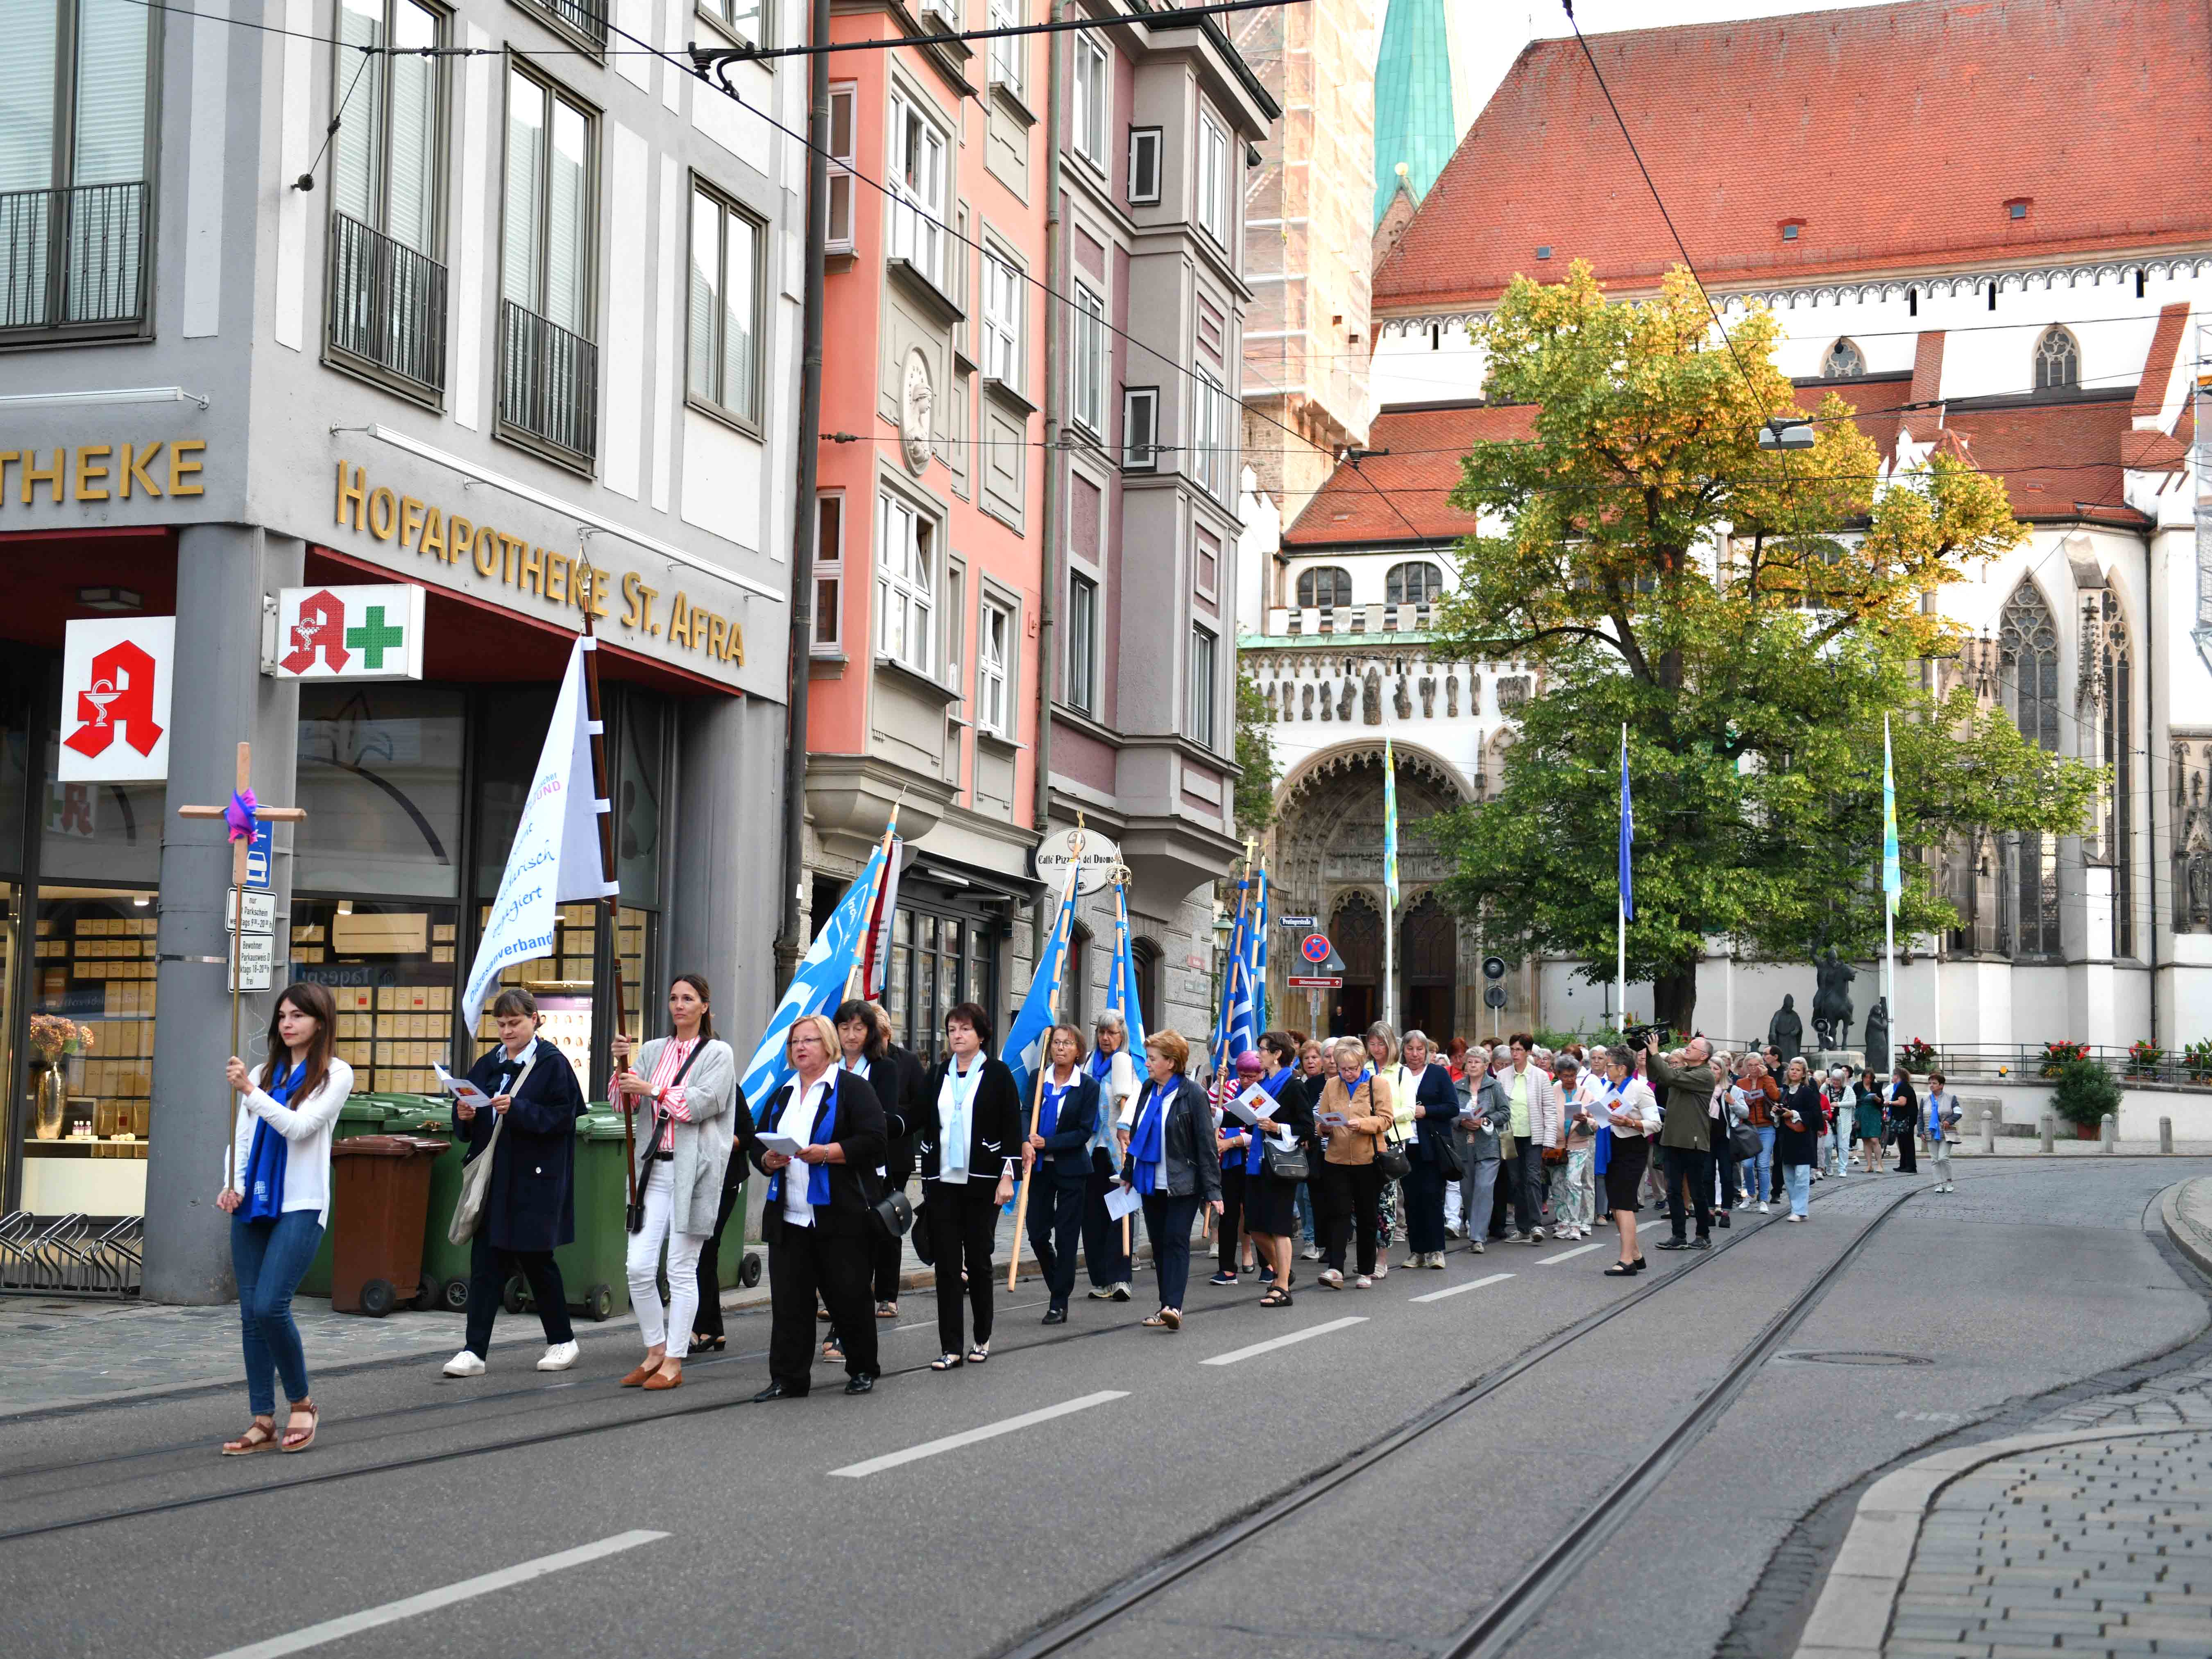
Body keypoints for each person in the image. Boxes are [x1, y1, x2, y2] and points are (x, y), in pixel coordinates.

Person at [218, 982, 350, 1456]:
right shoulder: (262, 1073)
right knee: (250, 1315)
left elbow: (299, 1128)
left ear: (321, 1021)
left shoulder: (336, 1074)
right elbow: (242, 1137)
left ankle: (301, 1403)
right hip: (255, 1202)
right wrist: (233, 1184)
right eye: (282, 1016)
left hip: (302, 1204)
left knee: (271, 1305)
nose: (288, 1024)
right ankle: (262, 1419)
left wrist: (250, 1091)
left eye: (298, 1015)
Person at [441, 987, 589, 1382]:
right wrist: (464, 1115)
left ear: (535, 1019)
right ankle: (474, 1350)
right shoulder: (488, 1063)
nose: (507, 1031)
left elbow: (564, 1119)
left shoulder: (553, 1064)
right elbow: (468, 1123)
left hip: (535, 1180)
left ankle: (563, 1340)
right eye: (502, 1024)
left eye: (515, 1023)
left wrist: (519, 1109)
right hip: (494, 1178)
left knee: (538, 1261)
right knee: (485, 1264)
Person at [746, 1013, 886, 1400]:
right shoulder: (784, 1092)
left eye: (809, 1040)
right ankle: (788, 1378)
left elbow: (875, 1140)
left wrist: (828, 1153)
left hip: (841, 1215)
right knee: (790, 1303)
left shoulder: (853, 1088)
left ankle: (862, 1368)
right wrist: (767, 1160)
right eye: (795, 1042)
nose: (800, 1048)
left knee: (849, 1296)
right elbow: (759, 1141)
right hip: (789, 1215)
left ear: (828, 1045)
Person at [612, 973, 739, 1393]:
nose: (679, 1005)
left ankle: (674, 1360)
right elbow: (623, 1104)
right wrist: (621, 1068)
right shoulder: (652, 1050)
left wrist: (652, 1088)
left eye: (688, 998)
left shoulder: (718, 1053)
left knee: (681, 1269)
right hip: (651, 1171)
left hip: (694, 1172)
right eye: (673, 998)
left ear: (705, 1006)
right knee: (637, 1267)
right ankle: (654, 1349)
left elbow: (703, 1103)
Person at [915, 1002, 1020, 1369]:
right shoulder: (938, 1073)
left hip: (982, 1182)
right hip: (942, 1181)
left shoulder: (997, 1074)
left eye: (965, 1029)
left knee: (978, 1262)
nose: (957, 1036)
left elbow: (1011, 1126)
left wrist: (1008, 1176)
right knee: (946, 1266)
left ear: (981, 1035)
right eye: (952, 1030)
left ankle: (982, 1337)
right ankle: (951, 1347)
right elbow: (919, 1116)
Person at [1119, 1030, 1222, 1328]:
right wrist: (1128, 1172)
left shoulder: (1194, 1094)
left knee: (1177, 1241)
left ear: (1172, 1062)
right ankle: (1165, 1305)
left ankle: (1174, 1306)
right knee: (1160, 1244)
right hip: (1151, 1181)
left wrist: (1214, 1191)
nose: (1147, 1064)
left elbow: (1206, 1144)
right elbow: (1138, 1134)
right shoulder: (1148, 1089)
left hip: (1183, 1183)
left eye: (1153, 1059)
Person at [834, 999, 924, 1321]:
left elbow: (912, 1110)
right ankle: (841, 1297)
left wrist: (895, 1124)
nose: (851, 1035)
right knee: (841, 1238)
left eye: (859, 1028)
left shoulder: (894, 1065)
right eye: (845, 1028)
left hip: (885, 1158)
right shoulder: (830, 1065)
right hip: (834, 1162)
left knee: (884, 1227)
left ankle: (885, 1295)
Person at [1022, 1024, 1101, 1324]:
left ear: (1078, 1050)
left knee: (1066, 1237)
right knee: (1037, 1233)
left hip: (1071, 1169)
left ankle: (1058, 1303)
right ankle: (1059, 1282)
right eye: (1056, 1042)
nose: (1060, 1048)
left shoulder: (1088, 1086)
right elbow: (1026, 1112)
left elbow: (1084, 1131)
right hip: (1040, 1168)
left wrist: (1048, 1143)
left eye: (1067, 1043)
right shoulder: (1038, 1078)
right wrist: (1025, 1141)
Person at [1312, 1036, 1392, 1288]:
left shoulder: (1378, 1084)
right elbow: (1320, 1122)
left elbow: (1386, 1119)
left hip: (1368, 1160)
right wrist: (1324, 1128)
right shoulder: (1331, 1085)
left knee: (1368, 1217)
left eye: (1353, 1069)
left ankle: (1366, 1271)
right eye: (1343, 1069)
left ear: (1362, 1063)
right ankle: (1335, 1268)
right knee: (1338, 1214)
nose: (1347, 1074)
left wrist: (1363, 1124)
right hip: (1336, 1159)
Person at [1244, 1031, 1314, 1307]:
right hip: (1258, 1163)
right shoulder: (1262, 1085)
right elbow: (1246, 1118)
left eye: (1263, 1049)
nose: (1258, 1054)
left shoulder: (1294, 1086)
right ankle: (1284, 1271)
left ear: (1277, 1054)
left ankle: (1282, 1285)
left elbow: (1307, 1128)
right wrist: (1216, 1114)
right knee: (1255, 1227)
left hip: (1281, 1164)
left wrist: (1277, 1128)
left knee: (1279, 1227)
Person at [1081, 1010, 1141, 1302]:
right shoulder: (1087, 1064)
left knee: (1120, 1212)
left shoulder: (1128, 1065)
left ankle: (1121, 1278)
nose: (1105, 1038)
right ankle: (1101, 1278)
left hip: (1118, 1149)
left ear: (1122, 1036)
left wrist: (1126, 1119)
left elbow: (1138, 1099)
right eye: (1102, 1032)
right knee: (1092, 1215)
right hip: (1090, 1148)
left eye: (1112, 1033)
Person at [1645, 1032, 1719, 1251]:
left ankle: (1703, 1235)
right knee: (1673, 1190)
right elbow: (1657, 1076)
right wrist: (1650, 1054)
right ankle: (1679, 1236)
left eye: (1693, 1047)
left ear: (1704, 1056)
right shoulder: (1684, 1071)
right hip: (1673, 1139)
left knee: (1697, 1190)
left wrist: (1655, 1053)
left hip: (1693, 1141)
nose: (1688, 1048)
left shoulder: (1705, 1075)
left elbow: (1669, 1077)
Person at [1396, 1031, 1458, 1268]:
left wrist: (1427, 1111)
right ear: (1403, 1051)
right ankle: (1417, 1251)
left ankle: (1437, 1250)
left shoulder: (1438, 1074)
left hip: (1432, 1145)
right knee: (1411, 1200)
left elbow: (1452, 1107)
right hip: (1406, 1145)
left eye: (1420, 1049)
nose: (1415, 1054)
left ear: (1427, 1051)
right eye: (1410, 1049)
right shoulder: (1399, 1074)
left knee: (1432, 1197)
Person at [1597, 1047, 1660, 1275]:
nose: (1605, 1069)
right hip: (1612, 1147)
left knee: (1624, 1205)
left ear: (1622, 1068)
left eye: (1609, 1065)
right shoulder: (1609, 1088)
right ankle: (1635, 1254)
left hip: (1632, 1149)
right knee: (1616, 1205)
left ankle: (1627, 1262)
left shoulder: (1640, 1089)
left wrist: (1631, 1123)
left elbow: (1656, 1123)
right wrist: (1589, 1119)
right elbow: (1605, 1118)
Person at [1210, 1050, 1266, 1285]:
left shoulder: (1264, 1093)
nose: (1246, 1081)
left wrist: (1233, 1142)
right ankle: (1227, 1269)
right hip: (1230, 1163)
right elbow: (1212, 1109)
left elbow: (1261, 1132)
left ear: (1261, 1074)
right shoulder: (1230, 1086)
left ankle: (1268, 1266)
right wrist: (1218, 1082)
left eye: (1251, 1076)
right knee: (1228, 1214)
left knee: (1256, 1215)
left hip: (1255, 1161)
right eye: (1242, 1075)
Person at [1500, 1033, 1560, 1244]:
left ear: (1528, 1052)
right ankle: (1523, 1228)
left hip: (1533, 1136)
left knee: (1533, 1178)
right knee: (1516, 1181)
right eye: (1512, 1049)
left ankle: (1536, 1225)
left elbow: (1550, 1110)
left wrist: (1549, 1140)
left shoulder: (1540, 1076)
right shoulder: (1503, 1076)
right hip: (1510, 1136)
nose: (1515, 1054)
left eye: (1519, 1050)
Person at [1447, 1047, 1502, 1254]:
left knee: (1484, 1189)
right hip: (1463, 1147)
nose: (1472, 1065)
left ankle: (1478, 1237)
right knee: (1468, 1192)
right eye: (1469, 1062)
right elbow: (1450, 1113)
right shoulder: (1457, 1087)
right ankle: (1474, 1224)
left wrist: (1486, 1120)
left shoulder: (1494, 1086)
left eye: (1477, 1062)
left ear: (1486, 1065)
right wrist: (1461, 1122)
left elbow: (1505, 1113)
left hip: (1488, 1147)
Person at [1364, 1022, 1403, 1265]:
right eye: (1372, 1044)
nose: (1377, 1049)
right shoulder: (1363, 1068)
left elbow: (1410, 1109)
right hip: (1364, 1138)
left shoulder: (1401, 1072)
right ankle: (1366, 1255)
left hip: (1389, 1140)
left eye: (1381, 1044)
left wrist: (1383, 1115)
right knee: (1363, 1200)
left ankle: (1382, 1259)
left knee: (1386, 1202)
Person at [1552, 1056, 1597, 1242]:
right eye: (1565, 1076)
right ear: (1558, 1075)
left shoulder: (1586, 1093)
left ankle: (1576, 1223)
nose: (1569, 1079)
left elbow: (1597, 1122)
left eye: (1572, 1075)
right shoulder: (1552, 1091)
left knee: (1573, 1182)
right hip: (1556, 1145)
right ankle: (1563, 1222)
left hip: (1579, 1143)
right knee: (1558, 1184)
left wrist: (1587, 1120)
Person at [1296, 1038, 1332, 1259]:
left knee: (1326, 1198)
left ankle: (1324, 1242)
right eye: (1306, 1058)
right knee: (1308, 1197)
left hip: (1334, 1147)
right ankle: (1317, 1240)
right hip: (1311, 1146)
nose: (1311, 1062)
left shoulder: (1338, 1082)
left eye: (1315, 1057)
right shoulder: (1308, 1085)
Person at [1774, 1057, 1821, 1220]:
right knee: (1789, 1178)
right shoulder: (1785, 1092)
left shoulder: (1807, 1092)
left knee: (1801, 1176)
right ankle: (1796, 1208)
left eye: (1798, 1070)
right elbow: (1780, 1118)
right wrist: (1777, 1112)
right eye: (1792, 1069)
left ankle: (1800, 1211)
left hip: (1803, 1139)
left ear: (1804, 1074)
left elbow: (1815, 1115)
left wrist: (1793, 1114)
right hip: (1787, 1139)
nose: (1794, 1072)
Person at [1738, 1054, 1780, 1214]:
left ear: (1762, 1065)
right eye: (1750, 1065)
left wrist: (1766, 1077)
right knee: (1747, 1165)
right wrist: (1746, 1103)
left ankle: (1763, 1199)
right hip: (1748, 1127)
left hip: (1766, 1127)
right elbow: (1737, 1105)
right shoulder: (1741, 1083)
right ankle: (1750, 1194)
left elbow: (1776, 1096)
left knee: (1763, 1165)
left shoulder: (1768, 1080)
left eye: (1757, 1065)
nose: (1754, 1068)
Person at [1924, 1070, 1963, 1193]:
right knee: (1935, 1160)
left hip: (1946, 1134)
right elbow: (1920, 1117)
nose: (1931, 1085)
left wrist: (1949, 1121)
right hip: (1930, 1133)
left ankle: (1949, 1181)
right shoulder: (1925, 1100)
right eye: (1930, 1083)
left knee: (1943, 1158)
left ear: (1941, 1085)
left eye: (1934, 1083)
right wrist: (1920, 1132)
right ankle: (1938, 1184)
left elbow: (1958, 1113)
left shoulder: (1951, 1099)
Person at [1853, 1067, 1888, 1174]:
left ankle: (1880, 1164)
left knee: (1875, 1139)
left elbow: (1881, 1101)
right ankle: (1869, 1165)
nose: (1868, 1080)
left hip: (1874, 1114)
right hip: (1862, 1114)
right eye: (1866, 1077)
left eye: (1870, 1078)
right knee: (1866, 1140)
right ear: (1863, 1077)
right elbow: (1854, 1099)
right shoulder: (1858, 1086)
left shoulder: (1876, 1087)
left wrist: (1877, 1099)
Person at [1887, 1065, 1921, 1174]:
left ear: (1897, 1076)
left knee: (1907, 1142)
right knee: (1902, 1141)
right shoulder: (1901, 1086)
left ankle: (1910, 1166)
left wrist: (1889, 1103)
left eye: (1893, 1075)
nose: (1892, 1077)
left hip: (1906, 1119)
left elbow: (1902, 1102)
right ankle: (1904, 1165)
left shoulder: (1903, 1087)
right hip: (1903, 1118)